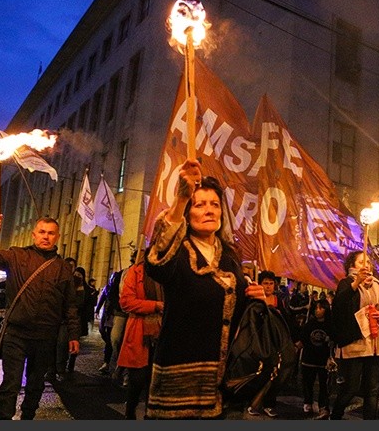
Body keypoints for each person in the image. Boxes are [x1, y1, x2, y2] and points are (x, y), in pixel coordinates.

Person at [142, 159, 266, 419]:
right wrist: (181, 200)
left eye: (215, 205)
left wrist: (255, 298)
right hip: (179, 381)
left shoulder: (230, 258)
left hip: (223, 384)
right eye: (199, 205)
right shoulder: (178, 253)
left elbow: (236, 311)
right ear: (188, 214)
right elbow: (156, 261)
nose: (209, 210)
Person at [0, 214, 79, 420]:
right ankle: (3, 419)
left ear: (57, 237)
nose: (46, 237)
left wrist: (73, 335)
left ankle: (28, 417)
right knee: (11, 383)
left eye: (51, 233)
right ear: (34, 234)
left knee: (36, 383)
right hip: (16, 334)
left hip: (45, 336)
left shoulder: (64, 268)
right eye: (42, 232)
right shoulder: (16, 256)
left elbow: (70, 305)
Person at [329, 250, 379, 420]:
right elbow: (339, 306)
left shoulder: (377, 284)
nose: (366, 265)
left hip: (375, 342)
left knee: (373, 389)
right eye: (361, 262)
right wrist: (356, 283)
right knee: (351, 387)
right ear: (352, 265)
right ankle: (336, 415)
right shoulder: (347, 283)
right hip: (355, 341)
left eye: (368, 262)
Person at [117, 252, 164, 420]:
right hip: (140, 333)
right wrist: (156, 306)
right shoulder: (136, 272)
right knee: (137, 379)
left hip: (164, 333)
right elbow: (126, 302)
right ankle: (130, 410)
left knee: (157, 381)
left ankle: (150, 415)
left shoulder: (170, 274)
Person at [247, 270, 293, 418]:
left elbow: (287, 321)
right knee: (261, 373)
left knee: (277, 374)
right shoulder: (254, 300)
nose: (268, 286)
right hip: (259, 343)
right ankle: (253, 402)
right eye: (265, 283)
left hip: (276, 344)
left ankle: (269, 403)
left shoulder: (280, 301)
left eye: (270, 283)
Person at [297, 298, 335, 419]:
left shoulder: (330, 325)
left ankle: (323, 406)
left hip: (323, 360)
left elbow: (334, 340)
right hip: (309, 359)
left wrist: (331, 342)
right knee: (308, 382)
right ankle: (307, 402)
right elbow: (302, 339)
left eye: (321, 308)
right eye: (316, 308)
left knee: (324, 385)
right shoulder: (310, 323)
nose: (318, 310)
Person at [64, 266, 88, 375]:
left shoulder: (85, 288)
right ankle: (62, 366)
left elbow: (84, 303)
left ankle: (70, 366)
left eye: (79, 275)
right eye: (75, 274)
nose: (77, 277)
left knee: (74, 342)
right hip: (68, 318)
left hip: (78, 319)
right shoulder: (68, 285)